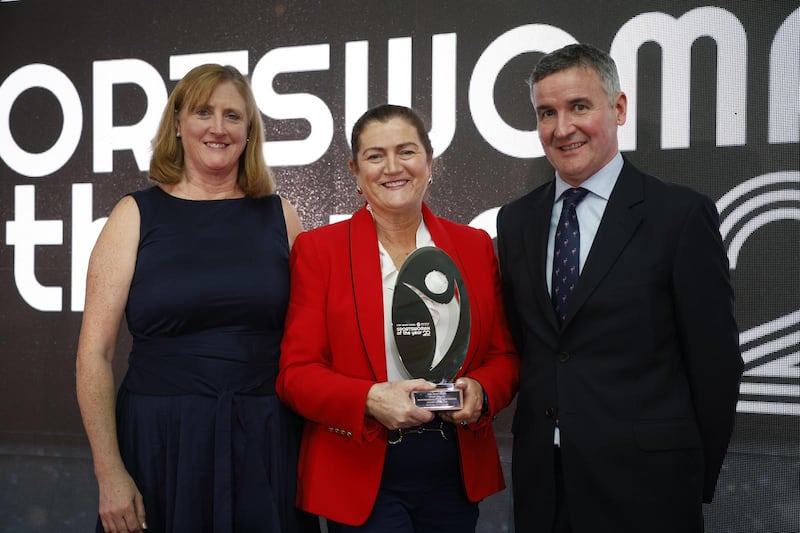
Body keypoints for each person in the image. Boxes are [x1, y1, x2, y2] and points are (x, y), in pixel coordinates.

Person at [496, 43, 744, 533]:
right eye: (547, 113)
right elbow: (533, 347)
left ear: (619, 108)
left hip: (650, 491)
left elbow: (716, 365)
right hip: (543, 489)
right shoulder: (516, 220)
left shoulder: (679, 215)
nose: (562, 128)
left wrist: (689, 476)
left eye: (579, 107)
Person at [76, 64, 319, 533]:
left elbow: (308, 338)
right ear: (178, 124)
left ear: (249, 133)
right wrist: (109, 472)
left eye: (233, 115)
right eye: (203, 111)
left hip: (266, 438)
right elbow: (94, 354)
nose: (218, 127)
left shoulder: (280, 215)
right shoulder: (133, 215)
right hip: (159, 440)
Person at [276, 104, 519, 533]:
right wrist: (370, 398)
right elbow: (296, 376)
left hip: (453, 468)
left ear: (430, 162)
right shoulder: (319, 251)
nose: (393, 168)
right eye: (375, 156)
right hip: (361, 470)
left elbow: (503, 356)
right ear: (355, 169)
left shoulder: (474, 246)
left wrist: (481, 391)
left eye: (406, 151)